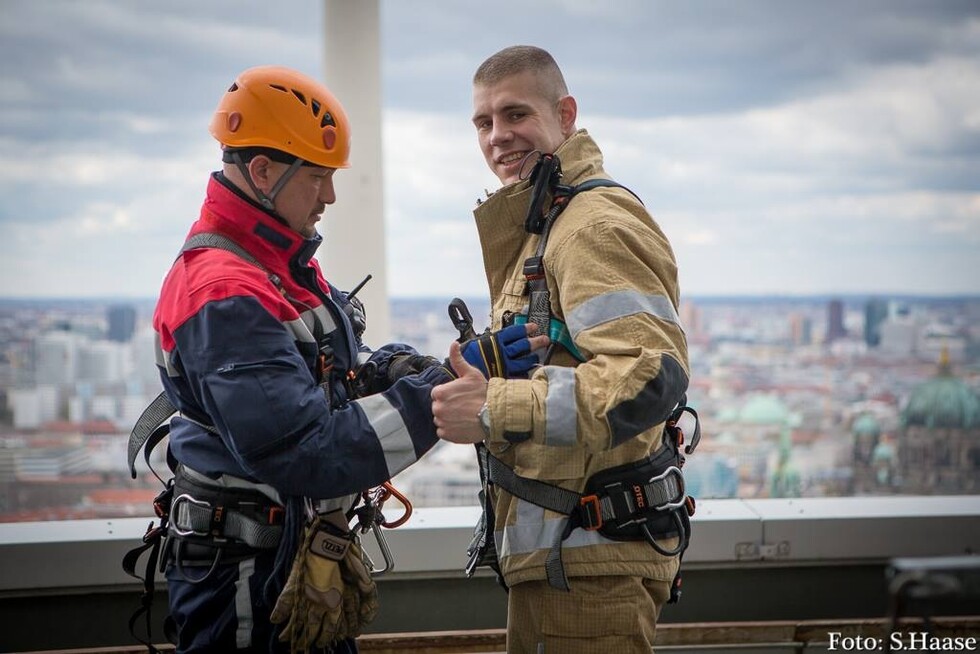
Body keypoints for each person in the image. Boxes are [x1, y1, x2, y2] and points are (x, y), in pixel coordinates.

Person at [148, 65, 543, 653]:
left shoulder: (276, 266)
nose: (331, 196)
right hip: (246, 579)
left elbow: (327, 376)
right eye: (317, 177)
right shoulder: (225, 292)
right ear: (262, 172)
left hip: (283, 559)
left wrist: (401, 370)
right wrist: (441, 391)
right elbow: (308, 451)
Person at [431, 46, 693, 653]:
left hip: (592, 566)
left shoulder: (591, 225)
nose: (498, 136)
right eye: (483, 122)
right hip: (569, 559)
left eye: (516, 114)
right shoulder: (548, 222)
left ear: (565, 114)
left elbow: (648, 377)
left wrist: (494, 406)